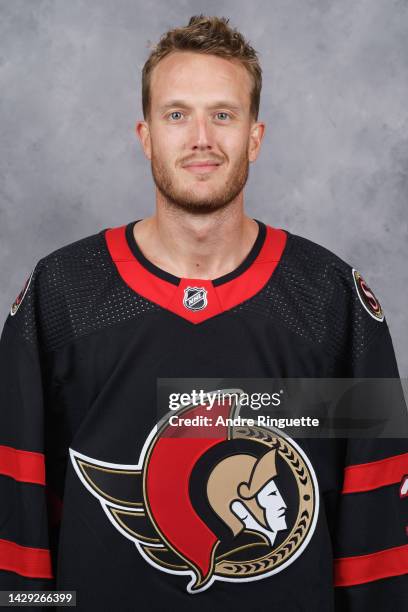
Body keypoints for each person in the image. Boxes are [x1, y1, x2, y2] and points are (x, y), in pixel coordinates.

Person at [0, 14, 407, 611]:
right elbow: (18, 506)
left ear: (255, 136)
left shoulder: (331, 298)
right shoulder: (61, 292)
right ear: (145, 135)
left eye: (223, 114)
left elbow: (373, 523)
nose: (200, 138)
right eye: (176, 114)